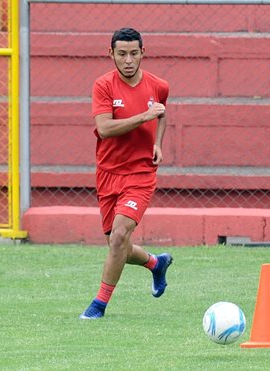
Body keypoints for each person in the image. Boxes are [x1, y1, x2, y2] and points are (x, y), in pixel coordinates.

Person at [80, 27, 173, 319]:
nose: (128, 60)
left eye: (134, 53)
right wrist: (143, 117)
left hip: (141, 174)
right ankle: (156, 264)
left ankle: (98, 305)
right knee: (116, 244)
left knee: (120, 235)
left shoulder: (159, 85)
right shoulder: (103, 86)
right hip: (108, 173)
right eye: (122, 54)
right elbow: (105, 128)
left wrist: (157, 142)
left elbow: (162, 112)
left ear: (143, 53)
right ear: (111, 54)